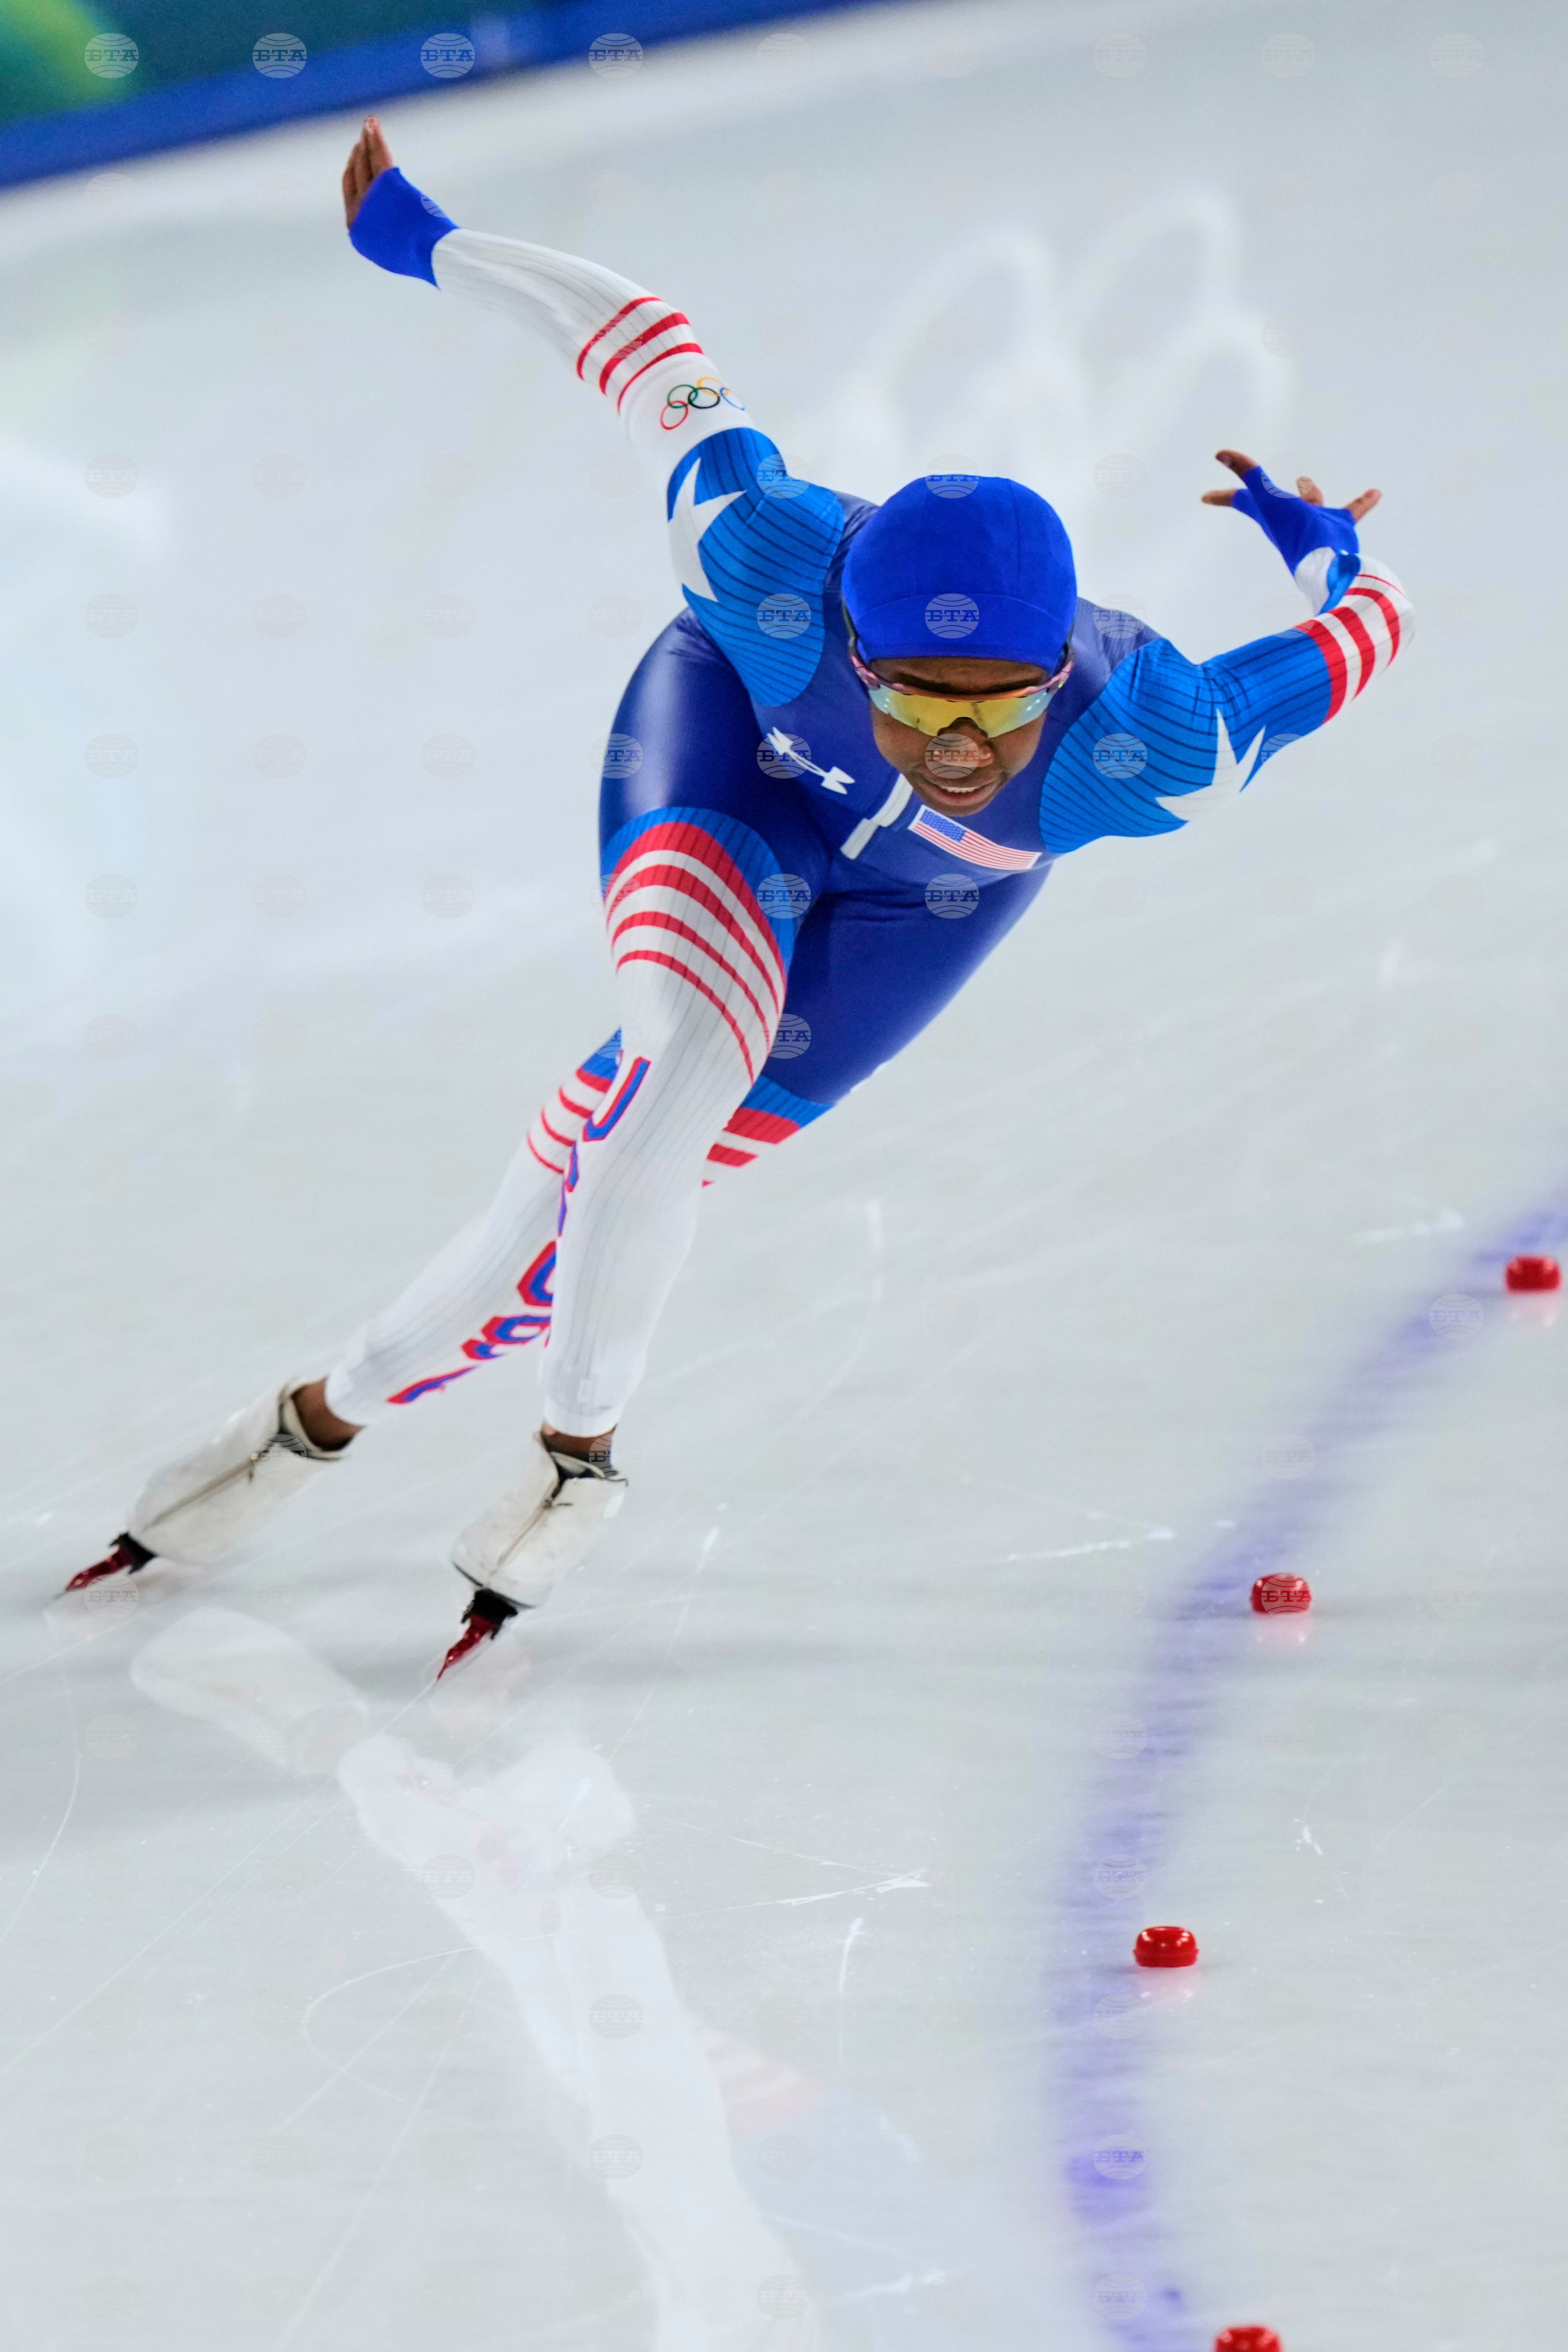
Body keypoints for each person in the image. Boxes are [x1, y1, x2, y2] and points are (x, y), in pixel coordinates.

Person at [66, 119, 1409, 1674]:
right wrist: (425, 240)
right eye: (915, 694)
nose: (958, 742)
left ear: (1063, 672)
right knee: (676, 1074)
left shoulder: (1160, 740)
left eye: (1000, 704)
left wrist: (1322, 545)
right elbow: (640, 343)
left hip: (930, 908)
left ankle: (313, 1420)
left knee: (572, 1208)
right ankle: (579, 1463)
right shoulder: (760, 551)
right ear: (847, 632)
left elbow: (1364, 629)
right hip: (733, 768)